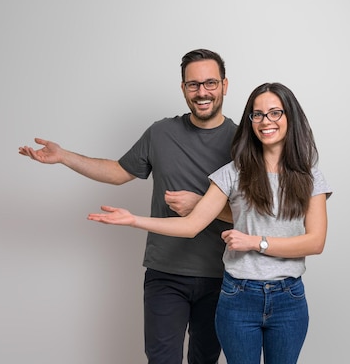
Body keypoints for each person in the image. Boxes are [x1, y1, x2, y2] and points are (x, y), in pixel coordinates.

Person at [88, 82, 332, 364]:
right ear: (250, 121)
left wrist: (256, 242)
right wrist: (134, 220)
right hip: (239, 296)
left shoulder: (310, 177)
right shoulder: (233, 172)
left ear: (291, 116)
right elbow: (191, 225)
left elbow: (315, 242)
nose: (266, 121)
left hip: (289, 297)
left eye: (275, 113)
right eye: (258, 114)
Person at [19, 49, 237, 364]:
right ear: (183, 89)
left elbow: (254, 213)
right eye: (193, 85)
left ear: (225, 85)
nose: (202, 92)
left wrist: (201, 206)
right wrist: (64, 156)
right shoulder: (162, 133)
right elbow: (118, 172)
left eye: (210, 83)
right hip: (165, 274)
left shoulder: (243, 140)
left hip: (222, 275)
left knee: (205, 360)